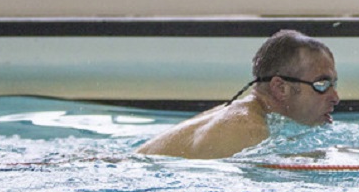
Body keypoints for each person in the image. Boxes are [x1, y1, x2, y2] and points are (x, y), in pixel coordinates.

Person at [136, 29, 340, 160]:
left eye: (333, 84)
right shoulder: (247, 130)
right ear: (280, 88)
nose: (335, 97)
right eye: (321, 84)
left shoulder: (242, 116)